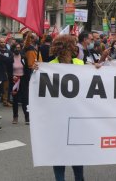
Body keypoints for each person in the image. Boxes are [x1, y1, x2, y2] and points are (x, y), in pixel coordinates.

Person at [46, 35, 86, 180]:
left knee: (77, 155)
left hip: (77, 118)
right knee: (59, 156)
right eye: (74, 44)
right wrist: (36, 71)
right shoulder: (49, 67)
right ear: (68, 47)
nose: (76, 47)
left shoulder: (80, 63)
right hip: (58, 119)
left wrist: (97, 68)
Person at [11, 42, 30, 125]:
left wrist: (28, 80)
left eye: (19, 48)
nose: (17, 49)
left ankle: (27, 117)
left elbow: (27, 69)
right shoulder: (10, 58)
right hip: (15, 80)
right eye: (16, 47)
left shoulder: (23, 58)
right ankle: (15, 117)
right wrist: (12, 76)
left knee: (25, 99)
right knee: (15, 99)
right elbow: (8, 70)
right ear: (13, 49)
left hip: (23, 80)